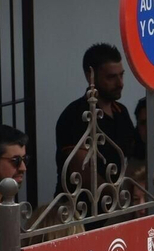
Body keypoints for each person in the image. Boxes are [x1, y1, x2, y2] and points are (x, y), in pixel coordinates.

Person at [55, 42, 140, 191]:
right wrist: (117, 200)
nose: (120, 83)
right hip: (80, 209)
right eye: (111, 77)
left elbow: (134, 153)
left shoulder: (120, 112)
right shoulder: (75, 115)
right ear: (90, 76)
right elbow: (83, 172)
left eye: (121, 75)